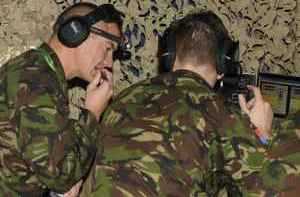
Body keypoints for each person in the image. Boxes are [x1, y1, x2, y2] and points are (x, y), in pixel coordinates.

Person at [79, 11, 279, 196]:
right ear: (223, 65)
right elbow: (266, 188)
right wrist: (262, 134)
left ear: (168, 57)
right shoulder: (226, 116)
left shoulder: (122, 100)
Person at [0, 2, 124, 196]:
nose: (109, 63)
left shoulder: (38, 72)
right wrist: (92, 115)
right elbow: (60, 175)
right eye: (108, 48)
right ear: (76, 31)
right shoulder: (36, 80)